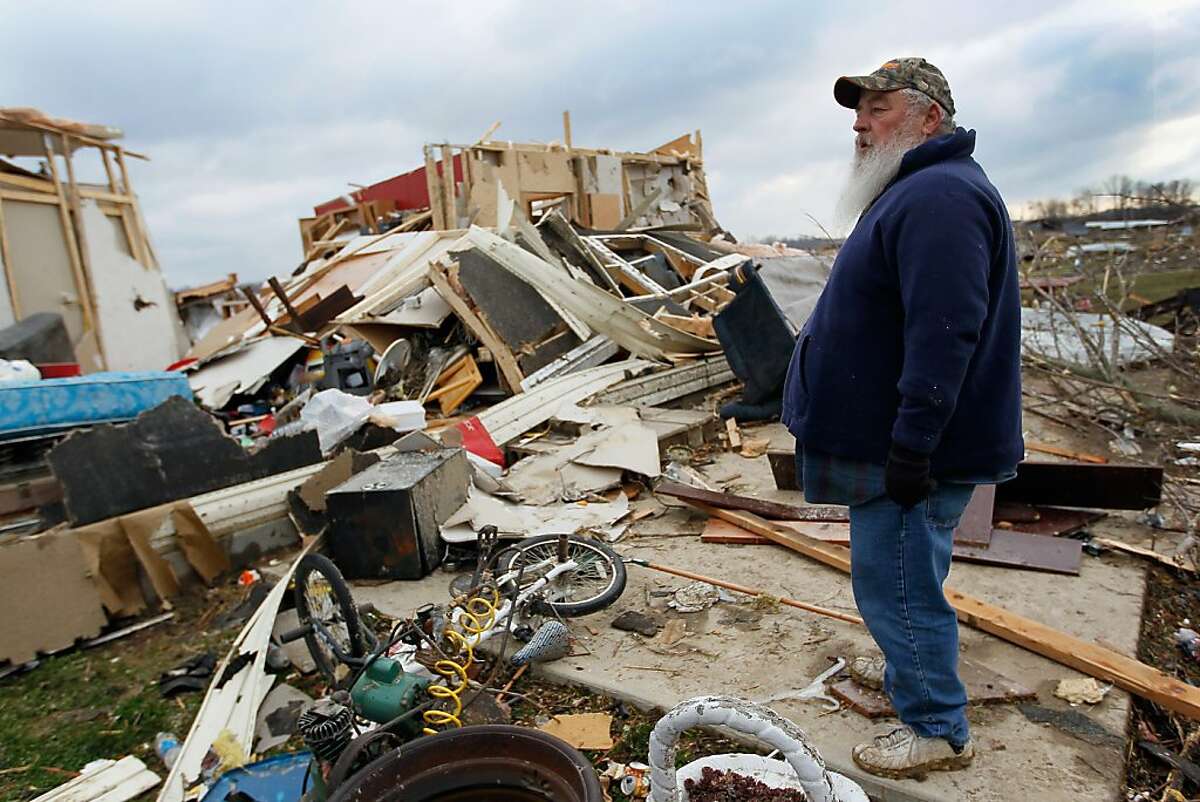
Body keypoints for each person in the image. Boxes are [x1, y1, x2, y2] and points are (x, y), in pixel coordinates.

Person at [781, 58, 1023, 778]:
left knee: (897, 585)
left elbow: (945, 332)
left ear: (929, 119)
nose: (860, 122)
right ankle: (907, 669)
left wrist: (914, 447)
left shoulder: (940, 197)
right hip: (899, 442)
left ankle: (938, 728)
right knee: (911, 572)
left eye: (879, 108)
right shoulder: (919, 190)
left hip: (908, 449)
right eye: (858, 110)